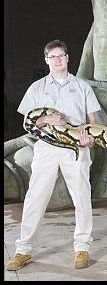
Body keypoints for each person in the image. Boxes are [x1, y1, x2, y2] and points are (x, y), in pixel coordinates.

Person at [7, 39, 101, 271]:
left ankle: (82, 248)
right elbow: (28, 121)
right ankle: (23, 250)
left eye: (61, 56)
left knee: (81, 197)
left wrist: (90, 138)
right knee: (35, 197)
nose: (58, 60)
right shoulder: (37, 88)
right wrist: (48, 119)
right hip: (46, 147)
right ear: (46, 60)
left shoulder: (82, 86)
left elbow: (93, 121)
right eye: (53, 57)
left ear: (68, 58)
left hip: (76, 148)